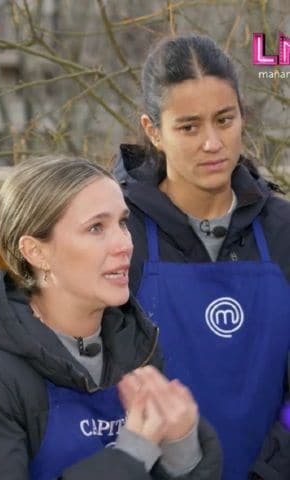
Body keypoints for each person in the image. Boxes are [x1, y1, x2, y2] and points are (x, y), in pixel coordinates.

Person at [0, 156, 222, 479]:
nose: (124, 244)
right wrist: (132, 454)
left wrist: (182, 452)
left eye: (123, 223)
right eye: (96, 227)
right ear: (36, 251)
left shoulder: (136, 348)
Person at [114, 33, 290, 479]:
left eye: (224, 120)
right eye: (189, 127)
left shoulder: (283, 230)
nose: (212, 143)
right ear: (154, 131)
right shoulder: (117, 231)